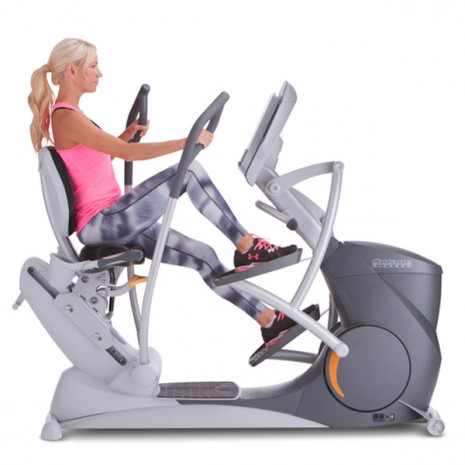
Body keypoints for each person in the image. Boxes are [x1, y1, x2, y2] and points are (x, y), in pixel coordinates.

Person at [28, 38, 312, 347]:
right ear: (71, 70)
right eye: (93, 66)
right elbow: (127, 154)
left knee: (204, 255)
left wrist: (125, 136)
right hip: (104, 222)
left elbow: (97, 160)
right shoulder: (67, 117)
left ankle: (268, 322)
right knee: (189, 171)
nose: (100, 73)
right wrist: (187, 142)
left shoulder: (73, 116)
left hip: (112, 219)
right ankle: (248, 246)